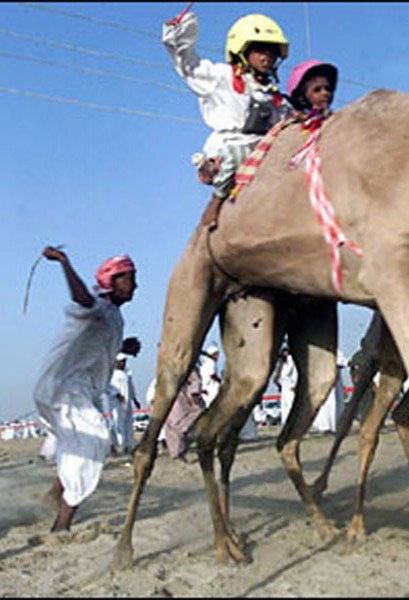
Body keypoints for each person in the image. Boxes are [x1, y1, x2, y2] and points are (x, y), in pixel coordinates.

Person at [32, 247, 137, 532]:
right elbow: (81, 299)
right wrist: (65, 263)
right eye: (128, 277)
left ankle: (55, 494)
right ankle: (61, 525)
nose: (135, 284)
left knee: (74, 443)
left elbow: (97, 341)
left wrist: (122, 346)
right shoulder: (95, 306)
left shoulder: (114, 317)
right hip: (62, 388)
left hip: (77, 391)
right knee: (94, 440)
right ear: (111, 281)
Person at [162, 10, 292, 216]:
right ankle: (216, 200)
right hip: (229, 149)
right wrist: (179, 36)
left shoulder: (277, 98)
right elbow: (190, 66)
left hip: (264, 153)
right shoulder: (221, 77)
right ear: (242, 50)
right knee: (234, 155)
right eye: (260, 50)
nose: (266, 57)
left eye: (271, 52)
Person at [162, 367, 204, 461]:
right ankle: (176, 452)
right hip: (179, 400)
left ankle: (179, 451)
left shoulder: (191, 368)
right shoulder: (187, 368)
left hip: (184, 400)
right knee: (176, 426)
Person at [108, 352, 140, 455]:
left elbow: (131, 387)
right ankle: (116, 445)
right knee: (116, 424)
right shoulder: (110, 374)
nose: (123, 364)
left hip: (127, 402)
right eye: (121, 362)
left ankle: (127, 446)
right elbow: (107, 387)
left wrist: (135, 399)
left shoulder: (127, 373)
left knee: (128, 425)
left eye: (124, 362)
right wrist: (117, 394)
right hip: (115, 403)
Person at [273, 346, 298, 427]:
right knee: (285, 406)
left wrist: (294, 385)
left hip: (291, 385)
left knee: (291, 404)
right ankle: (286, 422)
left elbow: (292, 373)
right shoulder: (282, 362)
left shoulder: (291, 360)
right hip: (285, 386)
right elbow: (277, 377)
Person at [198, 345, 221, 409]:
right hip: (209, 390)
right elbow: (212, 376)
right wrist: (221, 382)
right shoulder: (209, 363)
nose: (217, 357)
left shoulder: (210, 363)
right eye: (215, 354)